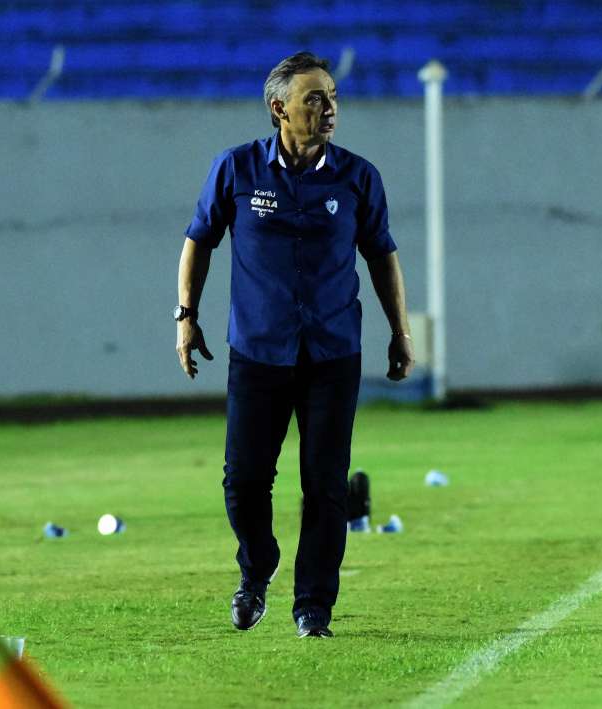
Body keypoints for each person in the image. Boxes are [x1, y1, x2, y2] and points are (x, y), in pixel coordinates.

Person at [175, 52, 414, 638]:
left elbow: (382, 256)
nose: (329, 107)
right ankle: (256, 568)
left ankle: (313, 607)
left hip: (333, 353)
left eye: (331, 96)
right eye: (314, 98)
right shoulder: (235, 169)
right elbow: (199, 241)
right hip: (258, 351)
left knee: (325, 485)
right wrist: (186, 315)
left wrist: (399, 332)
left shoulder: (359, 177)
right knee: (244, 481)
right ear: (279, 108)